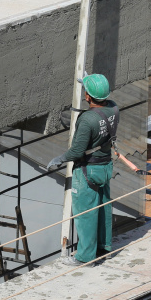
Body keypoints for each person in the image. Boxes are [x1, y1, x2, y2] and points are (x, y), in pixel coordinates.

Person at [47, 73, 119, 266]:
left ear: (88, 97)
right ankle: (104, 248)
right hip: (105, 166)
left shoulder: (87, 120)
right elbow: (102, 109)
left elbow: (77, 151)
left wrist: (59, 159)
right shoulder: (114, 108)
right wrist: (90, 83)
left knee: (85, 214)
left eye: (86, 91)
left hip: (88, 171)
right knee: (104, 207)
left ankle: (85, 258)